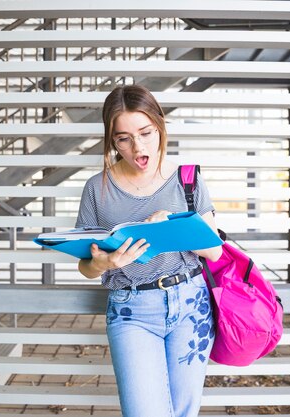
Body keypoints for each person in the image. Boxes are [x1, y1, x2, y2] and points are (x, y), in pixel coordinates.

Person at [75, 85, 222, 417]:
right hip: (131, 311)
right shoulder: (96, 189)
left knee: (184, 412)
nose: (138, 146)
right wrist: (106, 262)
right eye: (124, 138)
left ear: (160, 126)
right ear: (112, 140)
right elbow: (86, 265)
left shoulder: (188, 179)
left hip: (191, 304)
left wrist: (173, 226)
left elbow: (213, 251)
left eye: (145, 132)